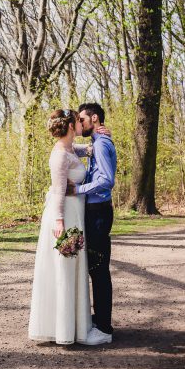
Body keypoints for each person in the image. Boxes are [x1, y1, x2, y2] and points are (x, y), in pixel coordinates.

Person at [28, 108, 91, 345]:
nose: (81, 124)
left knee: (73, 267)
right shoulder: (59, 156)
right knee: (65, 267)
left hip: (76, 213)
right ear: (71, 125)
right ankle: (64, 330)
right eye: (78, 121)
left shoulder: (69, 149)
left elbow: (82, 150)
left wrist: (98, 141)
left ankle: (76, 326)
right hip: (64, 217)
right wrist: (59, 222)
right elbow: (57, 191)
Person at [67, 102, 116, 345]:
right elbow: (69, 149)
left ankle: (105, 329)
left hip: (99, 212)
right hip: (93, 211)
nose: (81, 124)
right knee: (94, 268)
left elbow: (107, 180)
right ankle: (100, 320)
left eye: (83, 120)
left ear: (94, 118)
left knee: (99, 270)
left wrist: (78, 189)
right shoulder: (96, 143)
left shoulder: (102, 143)